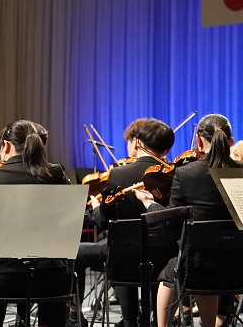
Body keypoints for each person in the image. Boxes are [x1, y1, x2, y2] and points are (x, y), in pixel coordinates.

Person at [136, 114, 243, 327]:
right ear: (231, 141)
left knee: (172, 270)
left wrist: (150, 204)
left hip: (198, 269)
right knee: (206, 259)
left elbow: (171, 224)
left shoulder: (185, 174)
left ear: (199, 141)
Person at [0, 120, 71, 327]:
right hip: (50, 278)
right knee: (56, 278)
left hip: (3, 280)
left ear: (7, 146)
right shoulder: (55, 174)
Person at [87, 118, 174, 327]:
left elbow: (104, 221)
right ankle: (156, 320)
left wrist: (96, 207)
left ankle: (129, 321)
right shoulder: (174, 174)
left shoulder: (118, 173)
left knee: (119, 246)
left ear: (138, 144)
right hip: (164, 260)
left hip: (125, 260)